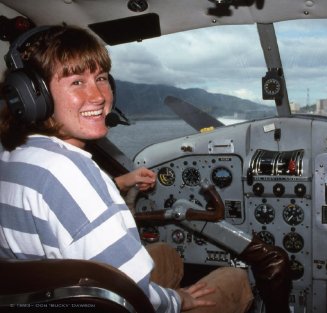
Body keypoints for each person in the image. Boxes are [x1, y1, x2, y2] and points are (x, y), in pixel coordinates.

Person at [0, 25, 253, 313]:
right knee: (234, 278)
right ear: (35, 95)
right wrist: (180, 299)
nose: (98, 95)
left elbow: (64, 206)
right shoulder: (69, 172)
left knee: (166, 255)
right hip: (116, 302)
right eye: (76, 82)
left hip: (42, 297)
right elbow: (133, 294)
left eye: (101, 78)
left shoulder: (12, 154)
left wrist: (122, 182)